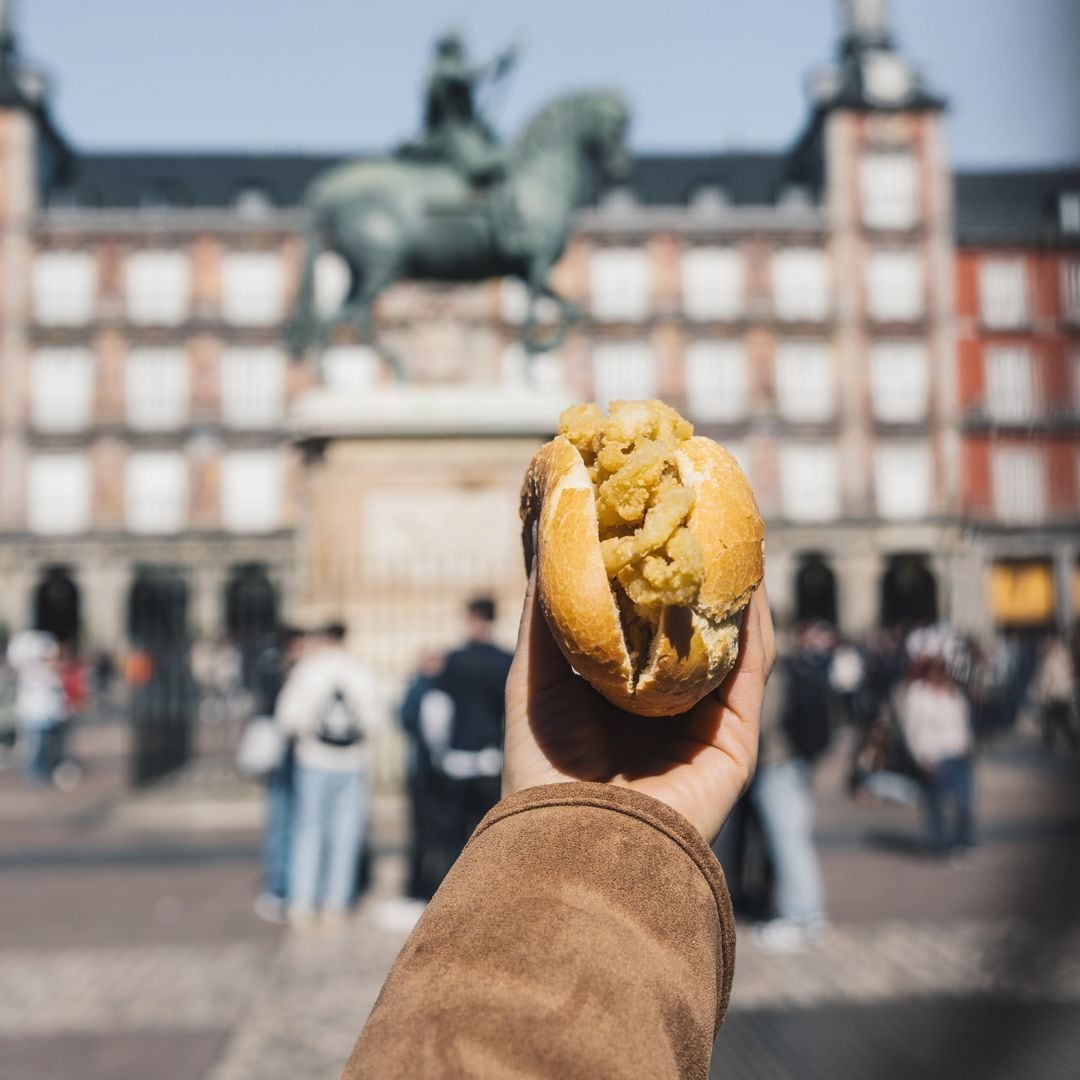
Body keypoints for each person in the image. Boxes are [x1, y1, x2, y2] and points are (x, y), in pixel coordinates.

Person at [341, 563, 774, 1079]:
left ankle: (436, 886)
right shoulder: (494, 657)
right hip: (499, 765)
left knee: (454, 838)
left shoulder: (452, 664)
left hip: (470, 764)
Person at [275, 621, 384, 924]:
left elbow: (287, 718)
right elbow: (376, 722)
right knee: (346, 831)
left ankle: (303, 902)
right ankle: (336, 902)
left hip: (314, 759)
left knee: (308, 830)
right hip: (352, 760)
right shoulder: (360, 671)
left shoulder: (308, 670)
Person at [749, 621, 832, 952]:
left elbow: (763, 723)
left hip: (777, 766)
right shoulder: (793, 668)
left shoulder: (776, 674)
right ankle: (803, 913)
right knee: (791, 840)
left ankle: (800, 914)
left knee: (788, 843)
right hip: (792, 764)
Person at [435, 597, 513, 880]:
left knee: (454, 833)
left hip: (459, 756)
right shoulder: (506, 660)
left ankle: (451, 889)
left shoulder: (455, 661)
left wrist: (438, 751)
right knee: (489, 832)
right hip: (491, 756)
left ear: (474, 619)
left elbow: (438, 711)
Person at [404, 29, 517, 186]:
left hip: (467, 127)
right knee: (473, 156)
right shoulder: (442, 68)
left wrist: (502, 64)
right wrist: (498, 60)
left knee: (493, 141)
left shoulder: (452, 68)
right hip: (447, 130)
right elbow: (470, 74)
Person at [251, 626, 305, 924]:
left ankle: (293, 885)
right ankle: (278, 887)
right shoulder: (275, 669)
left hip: (300, 758)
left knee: (295, 824)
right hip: (284, 758)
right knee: (281, 823)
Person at [896, 657, 975, 858]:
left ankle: (963, 841)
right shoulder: (918, 695)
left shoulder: (954, 694)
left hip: (957, 752)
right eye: (936, 671)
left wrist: (967, 745)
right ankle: (940, 845)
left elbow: (963, 722)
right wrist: (920, 756)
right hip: (934, 755)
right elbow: (912, 729)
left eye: (943, 672)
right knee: (936, 804)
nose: (940, 676)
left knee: (965, 803)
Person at [398, 650, 445, 903]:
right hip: (426, 771)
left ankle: (425, 885)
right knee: (423, 833)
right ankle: (420, 885)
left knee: (429, 833)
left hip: (430, 772)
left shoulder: (424, 687)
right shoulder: (423, 687)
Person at [7, 630, 65, 785]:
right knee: (35, 748)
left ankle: (43, 772)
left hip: (47, 714)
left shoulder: (46, 672)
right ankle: (35, 776)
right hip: (35, 714)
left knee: (47, 746)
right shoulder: (34, 671)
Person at [1029, 633, 1077, 755]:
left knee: (1059, 720)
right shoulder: (1059, 657)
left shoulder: (1053, 660)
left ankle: (1070, 741)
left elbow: (1051, 679)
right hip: (1057, 694)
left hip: (1056, 695)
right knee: (1054, 720)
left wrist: (1045, 692)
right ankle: (1054, 742)